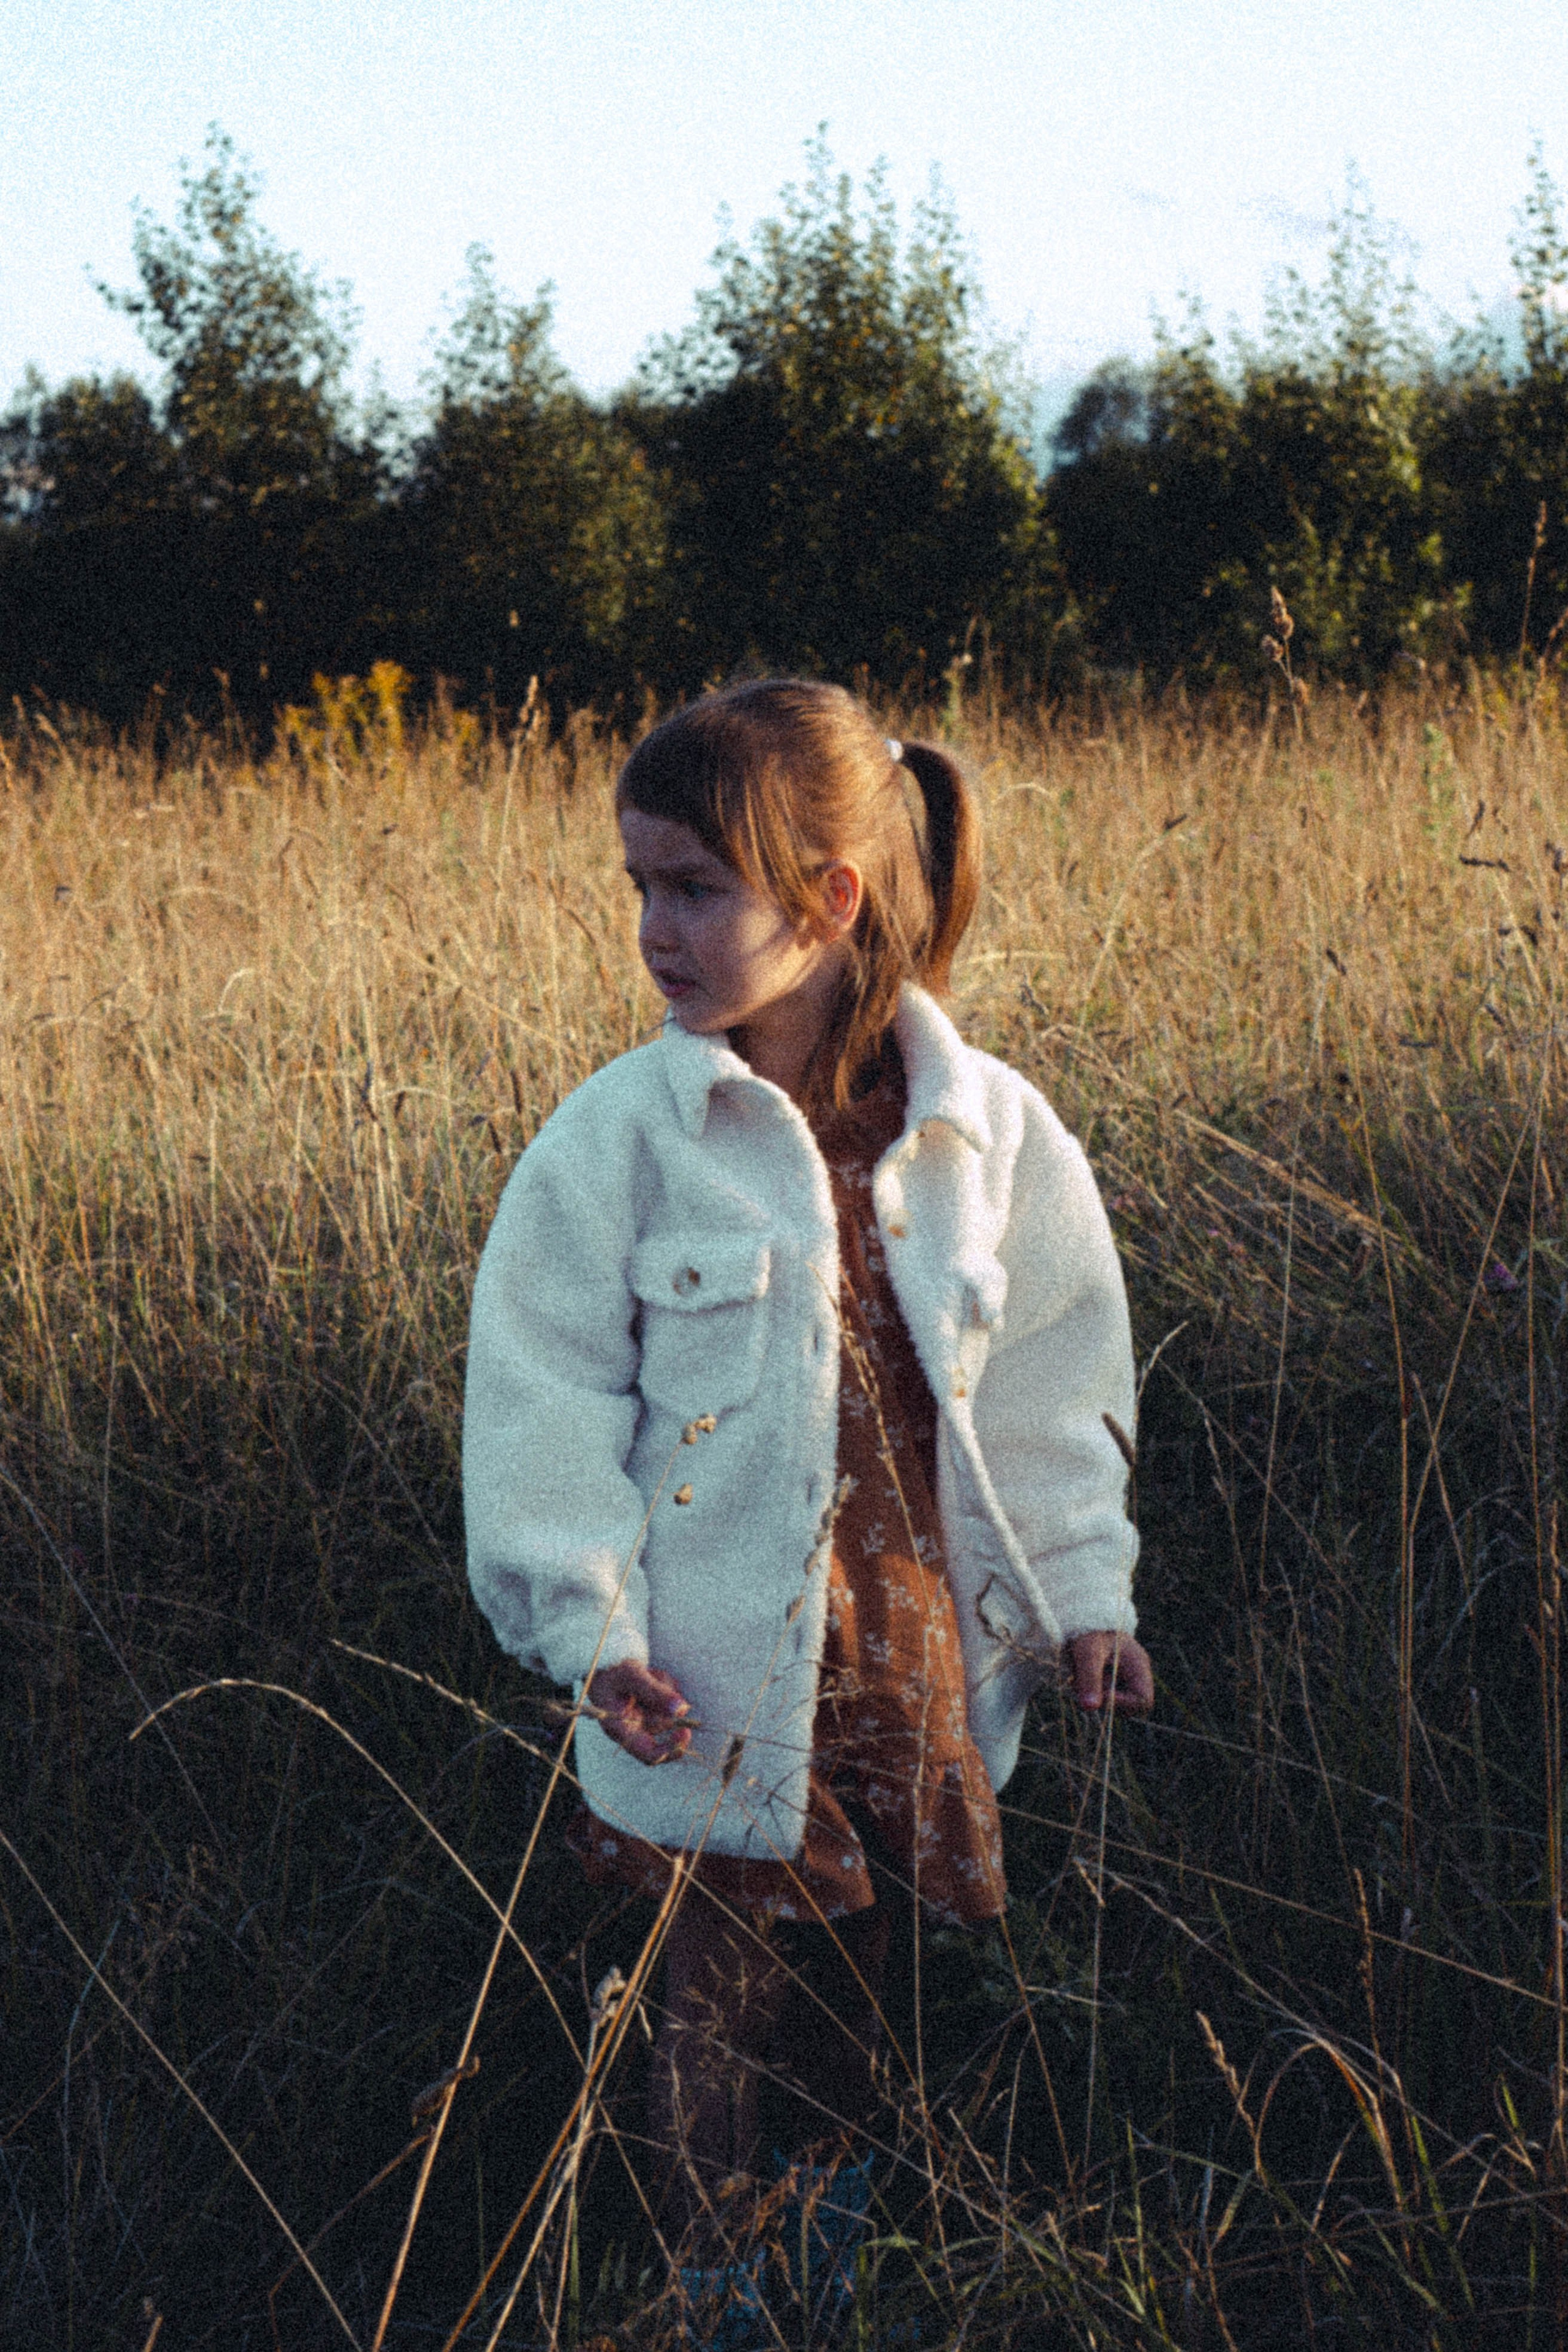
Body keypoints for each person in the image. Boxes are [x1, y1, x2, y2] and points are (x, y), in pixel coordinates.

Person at [462, 677, 1153, 2316]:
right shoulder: (618, 1144)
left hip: (912, 1647)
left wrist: (1086, 1601)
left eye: (697, 888)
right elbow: (545, 1400)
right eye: (640, 886)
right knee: (711, 1988)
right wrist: (593, 1631)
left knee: (866, 1966)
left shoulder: (990, 1137)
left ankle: (828, 2268)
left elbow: (1060, 1390)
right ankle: (715, 2289)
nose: (657, 930)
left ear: (830, 897)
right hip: (707, 1665)